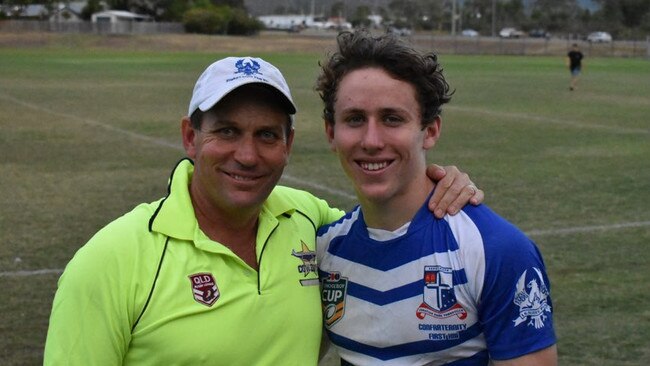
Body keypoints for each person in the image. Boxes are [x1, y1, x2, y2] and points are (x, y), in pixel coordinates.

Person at [44, 56, 483, 365]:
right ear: (190, 138)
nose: (248, 155)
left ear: (288, 145)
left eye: (267, 135)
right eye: (228, 131)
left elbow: (387, 223)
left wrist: (441, 183)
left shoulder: (311, 221)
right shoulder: (108, 261)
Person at [316, 30, 557, 365]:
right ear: (331, 133)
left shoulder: (496, 250)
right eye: (355, 119)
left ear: (430, 131)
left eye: (392, 119)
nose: (371, 140)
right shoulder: (324, 251)